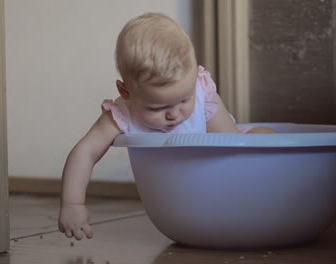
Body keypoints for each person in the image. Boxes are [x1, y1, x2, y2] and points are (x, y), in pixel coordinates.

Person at [58, 13, 275, 240]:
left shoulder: (202, 92)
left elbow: (229, 141)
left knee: (265, 137)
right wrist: (72, 203)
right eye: (156, 108)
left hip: (219, 168)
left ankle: (273, 199)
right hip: (176, 191)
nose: (174, 113)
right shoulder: (123, 113)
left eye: (184, 99)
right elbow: (85, 151)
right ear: (126, 92)